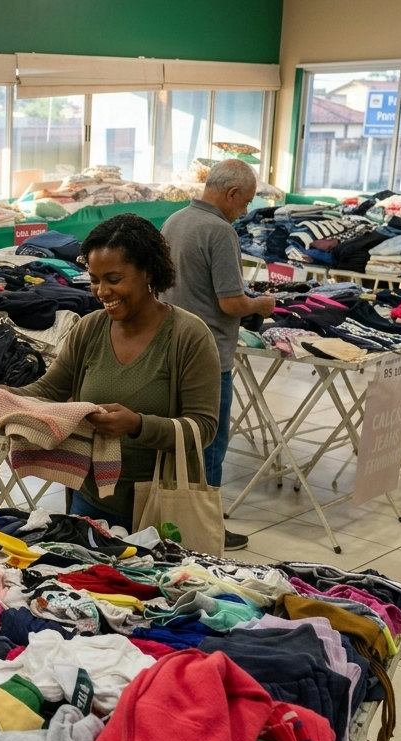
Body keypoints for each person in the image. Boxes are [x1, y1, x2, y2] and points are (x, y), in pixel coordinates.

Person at [0, 213, 221, 533]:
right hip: (91, 499)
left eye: (114, 279)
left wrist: (137, 425)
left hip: (160, 506)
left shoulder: (189, 336)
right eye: (94, 279)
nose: (102, 291)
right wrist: (5, 396)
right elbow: (51, 388)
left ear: (148, 271)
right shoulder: (90, 329)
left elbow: (203, 428)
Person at [160, 159, 274, 552]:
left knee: (177, 441)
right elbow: (230, 303)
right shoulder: (220, 231)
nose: (245, 211)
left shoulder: (174, 221)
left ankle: (172, 521)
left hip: (171, 347)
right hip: (209, 356)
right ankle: (206, 529)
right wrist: (261, 304)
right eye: (245, 202)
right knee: (210, 444)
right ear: (231, 194)